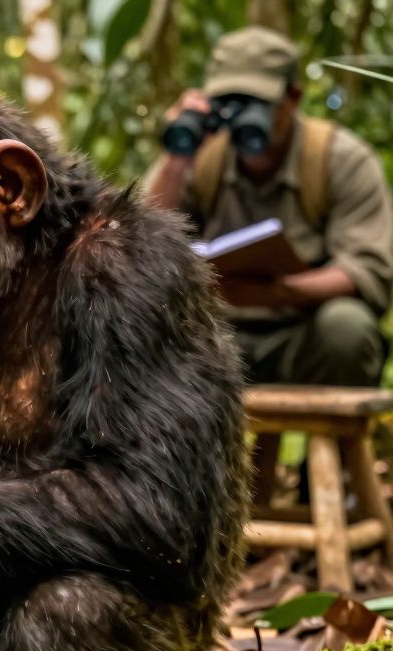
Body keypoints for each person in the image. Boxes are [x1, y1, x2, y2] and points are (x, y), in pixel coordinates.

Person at [145, 26, 393, 387]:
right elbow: (145, 242)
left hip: (303, 332)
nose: (241, 117)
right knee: (146, 326)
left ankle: (330, 441)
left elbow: (367, 269)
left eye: (255, 104)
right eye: (230, 102)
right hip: (222, 335)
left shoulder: (341, 159)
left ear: (292, 97)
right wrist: (177, 160)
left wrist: (280, 292)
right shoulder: (205, 158)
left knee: (347, 327)